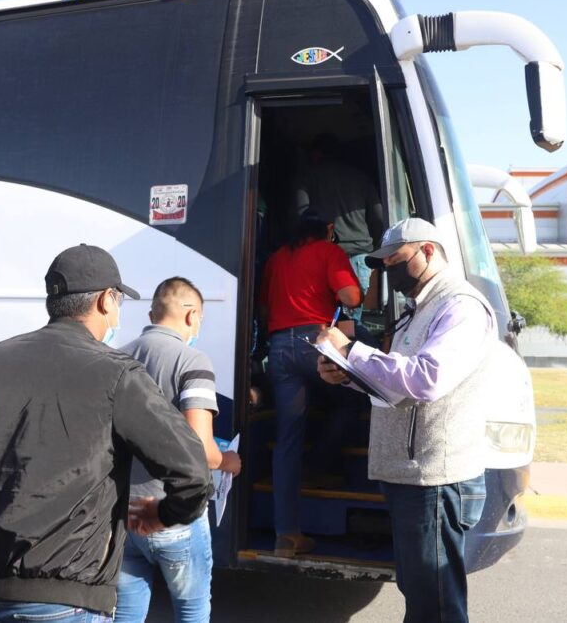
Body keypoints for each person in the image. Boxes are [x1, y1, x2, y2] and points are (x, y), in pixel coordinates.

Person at [0, 244, 212, 623]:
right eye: (118, 302)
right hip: (67, 600)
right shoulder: (117, 374)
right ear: (104, 301)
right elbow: (194, 472)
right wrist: (164, 513)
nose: (117, 313)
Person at [315, 218, 496, 623]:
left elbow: (427, 378)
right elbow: (397, 388)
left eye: (394, 260)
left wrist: (354, 350)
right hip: (410, 477)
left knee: (435, 606)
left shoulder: (459, 306)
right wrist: (349, 374)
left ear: (428, 251)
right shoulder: (420, 309)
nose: (387, 272)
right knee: (422, 596)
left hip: (434, 479)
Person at [115, 277, 241, 623]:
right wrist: (229, 461)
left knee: (126, 610)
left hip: (126, 510)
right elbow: (202, 450)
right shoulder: (192, 361)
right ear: (191, 316)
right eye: (200, 319)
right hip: (171, 512)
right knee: (191, 609)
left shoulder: (116, 358)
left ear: (153, 312)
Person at [259, 209, 362, 557]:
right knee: (353, 399)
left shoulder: (275, 259)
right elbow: (351, 298)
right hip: (314, 342)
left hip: (279, 348)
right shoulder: (328, 251)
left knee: (288, 438)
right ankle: (318, 467)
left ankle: (286, 535)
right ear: (328, 230)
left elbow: (263, 307)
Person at [295, 133, 384, 321]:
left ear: (317, 154)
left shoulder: (308, 177)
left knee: (321, 319)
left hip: (322, 259)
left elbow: (300, 215)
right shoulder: (362, 179)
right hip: (360, 259)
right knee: (351, 324)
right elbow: (378, 218)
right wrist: (376, 248)